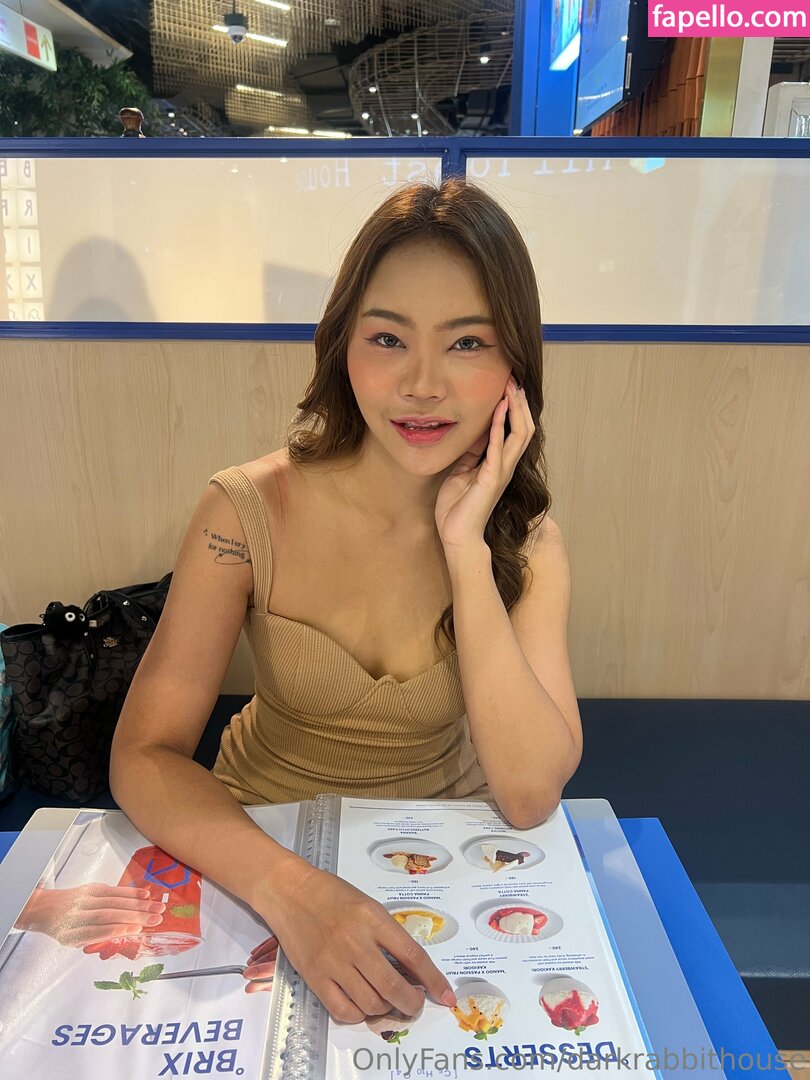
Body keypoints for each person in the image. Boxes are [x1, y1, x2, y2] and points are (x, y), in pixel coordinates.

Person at [109, 176, 583, 1025]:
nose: (422, 385)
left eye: (468, 342)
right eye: (388, 338)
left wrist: (467, 553)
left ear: (514, 365)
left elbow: (528, 793)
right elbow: (144, 754)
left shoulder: (526, 544)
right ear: (342, 346)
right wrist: (294, 893)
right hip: (257, 848)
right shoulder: (245, 511)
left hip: (444, 861)